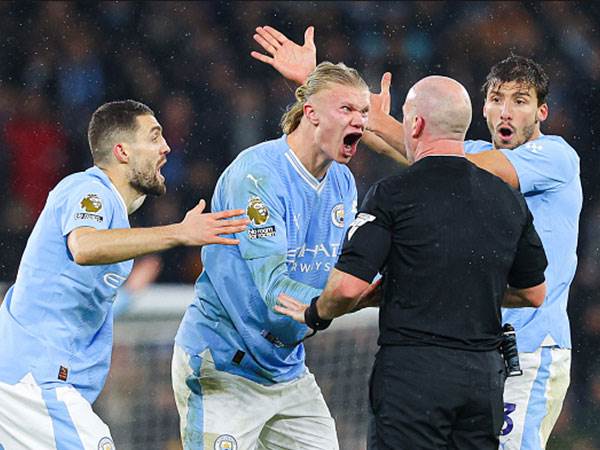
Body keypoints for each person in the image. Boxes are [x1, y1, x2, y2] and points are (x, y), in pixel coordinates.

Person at [252, 28, 582, 449]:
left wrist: (407, 133)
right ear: (481, 107)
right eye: (497, 99)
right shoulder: (471, 152)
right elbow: (419, 144)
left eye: (520, 102)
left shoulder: (556, 157)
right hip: (482, 349)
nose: (505, 112)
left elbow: (432, 151)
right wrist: (315, 86)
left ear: (542, 113)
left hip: (533, 348)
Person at [0, 100, 248, 449]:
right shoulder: (90, 190)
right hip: (33, 381)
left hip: (31, 382)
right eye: (154, 137)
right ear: (122, 151)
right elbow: (85, 246)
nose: (166, 147)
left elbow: (72, 297)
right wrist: (178, 233)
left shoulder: (114, 217)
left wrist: (130, 293)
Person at [171, 62, 369, 450]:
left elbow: (338, 271)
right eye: (346, 109)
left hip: (286, 370)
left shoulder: (343, 182)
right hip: (224, 366)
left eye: (364, 112)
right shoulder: (258, 175)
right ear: (310, 112)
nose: (359, 121)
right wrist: (335, 304)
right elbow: (275, 290)